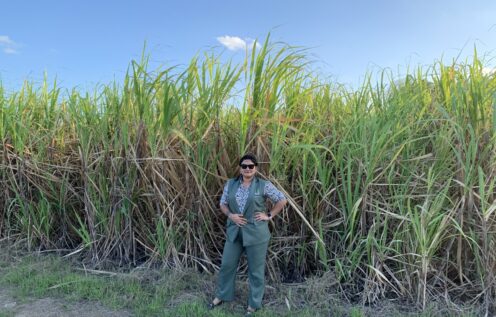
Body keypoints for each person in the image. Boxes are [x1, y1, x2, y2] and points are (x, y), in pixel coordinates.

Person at [209, 153, 287, 315]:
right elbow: (223, 204)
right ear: (240, 168)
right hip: (234, 232)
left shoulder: (263, 185)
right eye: (244, 166)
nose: (247, 169)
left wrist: (269, 215)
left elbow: (282, 199)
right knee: (227, 265)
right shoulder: (230, 184)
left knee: (256, 270)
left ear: (256, 168)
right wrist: (231, 215)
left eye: (251, 166)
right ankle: (222, 295)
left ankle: (254, 303)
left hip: (256, 233)